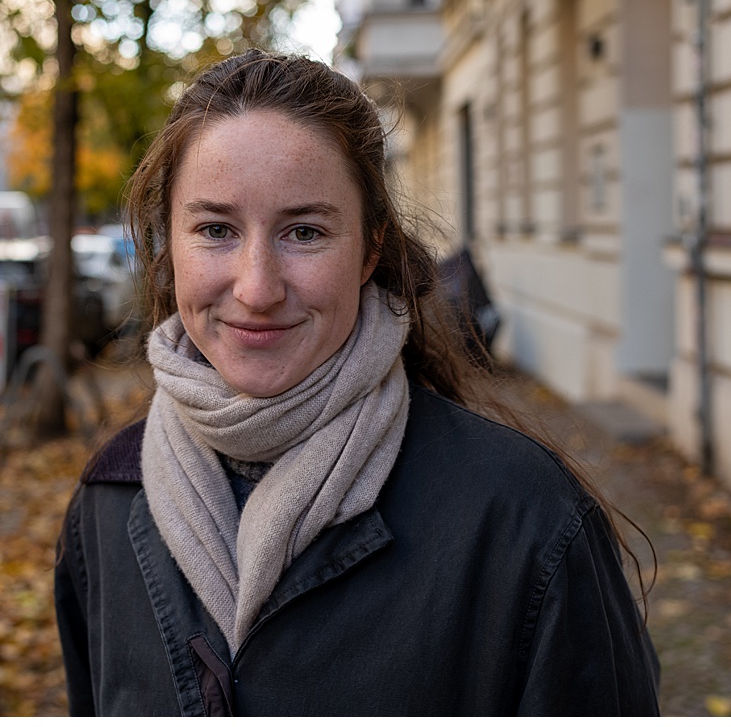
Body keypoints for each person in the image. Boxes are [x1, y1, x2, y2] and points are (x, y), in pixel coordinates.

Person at [53, 50, 661, 716]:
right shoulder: (107, 505)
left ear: (370, 248)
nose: (257, 288)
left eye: (305, 231)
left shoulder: (522, 517)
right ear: (168, 245)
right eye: (216, 229)